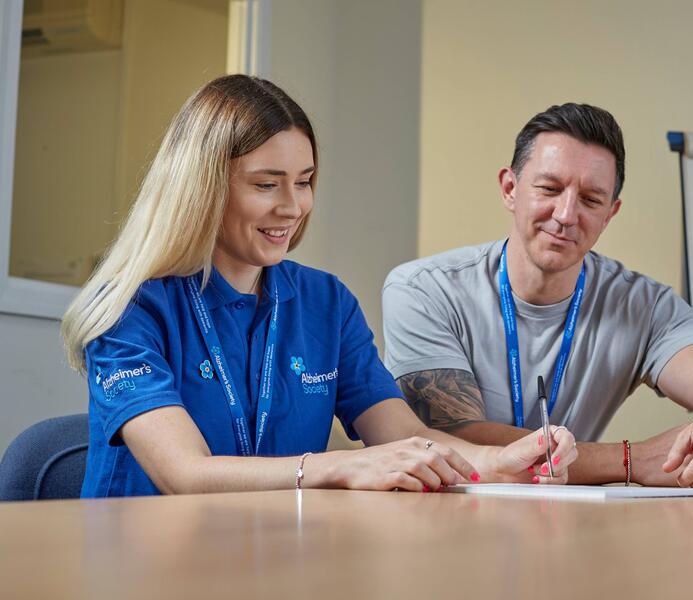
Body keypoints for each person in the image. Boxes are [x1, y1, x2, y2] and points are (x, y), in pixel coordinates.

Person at [61, 75, 576, 498]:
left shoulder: (326, 303)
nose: (292, 206)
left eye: (304, 181)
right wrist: (336, 467)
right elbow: (185, 474)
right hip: (143, 568)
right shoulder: (129, 306)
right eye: (267, 184)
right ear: (205, 187)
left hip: (271, 560)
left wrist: (502, 462)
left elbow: (404, 436)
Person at [382, 103, 693, 488]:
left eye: (591, 200)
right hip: (446, 521)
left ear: (611, 213)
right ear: (510, 189)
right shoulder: (423, 290)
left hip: (567, 528)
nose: (567, 214)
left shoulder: (644, 305)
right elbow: (454, 438)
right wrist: (631, 460)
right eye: (549, 188)